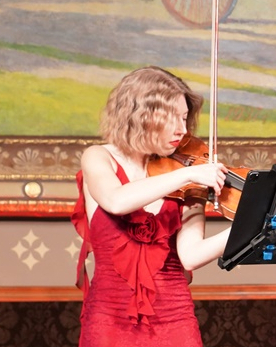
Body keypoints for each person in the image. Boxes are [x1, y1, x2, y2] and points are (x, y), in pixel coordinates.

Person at [71, 66, 232, 347]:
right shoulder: (98, 157)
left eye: (185, 118)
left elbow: (191, 257)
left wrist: (251, 226)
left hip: (175, 320)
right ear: (141, 115)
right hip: (109, 321)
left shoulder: (189, 172)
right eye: (172, 119)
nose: (183, 130)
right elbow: (117, 201)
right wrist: (188, 175)